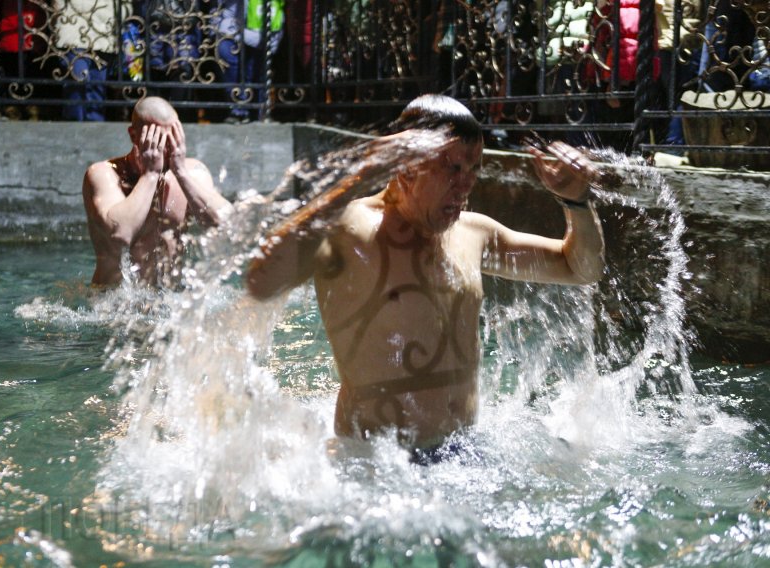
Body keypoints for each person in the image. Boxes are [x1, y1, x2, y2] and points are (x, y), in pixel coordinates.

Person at [245, 95, 605, 457]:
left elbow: (579, 268)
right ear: (406, 165)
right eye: (450, 168)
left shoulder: (473, 233)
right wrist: (365, 173)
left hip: (463, 454)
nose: (464, 185)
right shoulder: (350, 227)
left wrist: (577, 203)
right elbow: (262, 280)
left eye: (473, 169)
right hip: (377, 465)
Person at [83, 96, 233, 287]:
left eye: (171, 139)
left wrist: (181, 173)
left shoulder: (193, 172)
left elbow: (228, 228)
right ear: (133, 135)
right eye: (157, 139)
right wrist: (150, 175)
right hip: (112, 305)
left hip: (170, 303)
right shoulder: (104, 174)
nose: (164, 149)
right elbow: (120, 236)